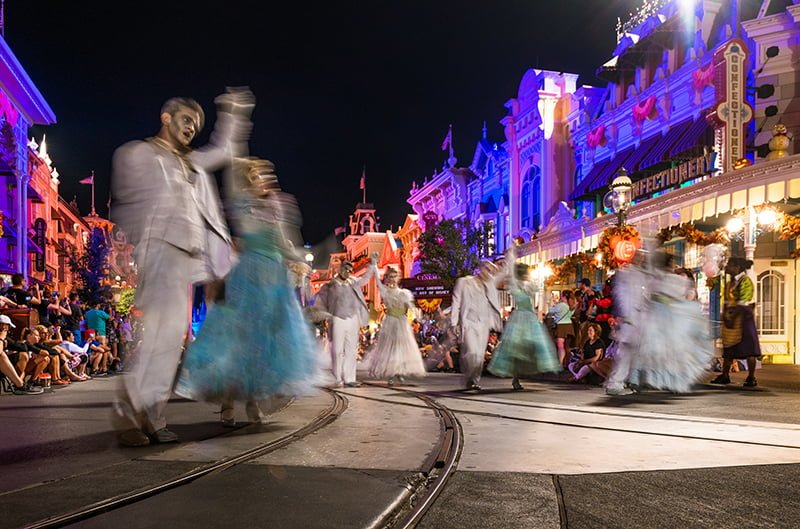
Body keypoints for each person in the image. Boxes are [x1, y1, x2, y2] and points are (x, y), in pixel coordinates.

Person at [110, 89, 254, 447]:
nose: (192, 128)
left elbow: (223, 150)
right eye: (187, 120)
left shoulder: (192, 163)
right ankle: (133, 414)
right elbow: (130, 207)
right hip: (160, 252)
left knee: (171, 340)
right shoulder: (141, 153)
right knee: (159, 336)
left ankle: (149, 415)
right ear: (167, 118)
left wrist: (234, 112)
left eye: (196, 124)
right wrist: (132, 252)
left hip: (188, 260)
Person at [176, 158, 321, 425]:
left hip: (274, 278)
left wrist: (298, 258)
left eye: (268, 175)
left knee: (263, 344)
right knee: (239, 340)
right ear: (248, 180)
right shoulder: (244, 204)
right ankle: (228, 403)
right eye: (259, 176)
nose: (266, 180)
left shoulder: (275, 205)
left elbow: (282, 241)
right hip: (250, 275)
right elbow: (249, 232)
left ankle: (254, 401)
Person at [488, 248, 560, 390]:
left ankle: (521, 376)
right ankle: (516, 379)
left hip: (529, 317)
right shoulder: (516, 287)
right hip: (520, 318)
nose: (528, 275)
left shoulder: (529, 286)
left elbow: (537, 286)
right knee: (515, 350)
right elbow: (515, 283)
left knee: (531, 348)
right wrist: (511, 259)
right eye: (526, 274)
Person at [315, 255, 377, 388]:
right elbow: (319, 300)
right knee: (337, 350)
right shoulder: (331, 285)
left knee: (351, 349)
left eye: (350, 270)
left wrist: (372, 265)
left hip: (352, 318)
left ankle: (349, 378)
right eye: (345, 269)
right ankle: (337, 378)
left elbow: (365, 279)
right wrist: (322, 314)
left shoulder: (353, 282)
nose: (347, 272)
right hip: (337, 318)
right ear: (340, 269)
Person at [364, 266, 426, 385]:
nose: (392, 279)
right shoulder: (385, 291)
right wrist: (374, 265)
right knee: (390, 347)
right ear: (387, 278)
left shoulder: (404, 293)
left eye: (395, 276)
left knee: (401, 347)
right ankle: (391, 373)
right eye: (390, 277)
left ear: (398, 278)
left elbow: (411, 306)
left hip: (402, 322)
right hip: (390, 321)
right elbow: (377, 280)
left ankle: (400, 371)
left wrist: (417, 314)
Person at [451, 260, 504, 390]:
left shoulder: (489, 285)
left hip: (483, 323)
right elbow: (456, 301)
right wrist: (454, 322)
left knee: (479, 355)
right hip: (469, 322)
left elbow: (504, 274)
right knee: (472, 352)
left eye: (491, 271)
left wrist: (510, 256)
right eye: (486, 269)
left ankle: (474, 380)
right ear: (480, 269)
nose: (488, 273)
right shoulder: (464, 282)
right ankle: (469, 374)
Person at [712, 257, 762, 387]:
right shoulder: (731, 283)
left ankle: (751, 377)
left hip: (743, 318)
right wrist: (726, 315)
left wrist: (732, 317)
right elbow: (727, 301)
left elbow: (744, 302)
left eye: (730, 265)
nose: (727, 267)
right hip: (731, 318)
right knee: (729, 348)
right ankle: (725, 375)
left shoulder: (745, 281)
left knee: (749, 348)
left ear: (737, 267)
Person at [548, 290, 575, 368]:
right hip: (569, 326)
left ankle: (560, 363)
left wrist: (551, 303)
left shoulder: (561, 305)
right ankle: (567, 363)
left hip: (561, 326)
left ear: (563, 296)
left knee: (560, 346)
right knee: (567, 346)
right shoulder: (572, 305)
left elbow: (551, 311)